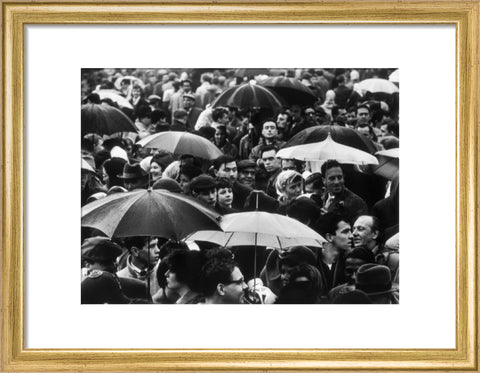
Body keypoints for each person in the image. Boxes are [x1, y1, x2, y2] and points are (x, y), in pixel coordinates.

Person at [81, 237, 149, 304]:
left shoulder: (137, 286)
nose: (113, 266)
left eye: (113, 261)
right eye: (106, 263)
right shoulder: (137, 285)